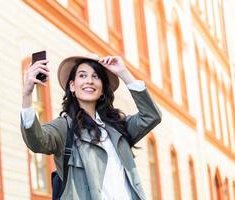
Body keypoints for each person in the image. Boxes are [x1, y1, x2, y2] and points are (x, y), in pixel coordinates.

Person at [20, 54, 162, 200]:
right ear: (72, 86)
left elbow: (151, 116)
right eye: (82, 75)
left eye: (96, 76)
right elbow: (36, 141)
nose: (89, 81)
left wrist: (123, 73)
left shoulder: (118, 126)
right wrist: (27, 94)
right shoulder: (65, 127)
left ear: (102, 89)